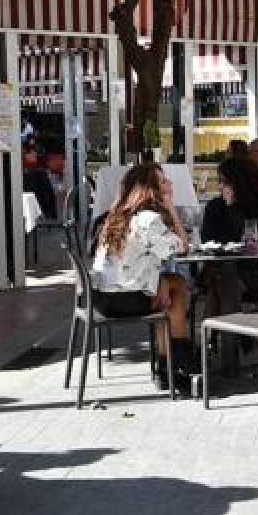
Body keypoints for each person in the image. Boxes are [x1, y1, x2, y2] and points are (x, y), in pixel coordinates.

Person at [91, 163, 193, 394]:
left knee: (174, 284)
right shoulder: (148, 219)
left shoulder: (114, 216)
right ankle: (176, 367)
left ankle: (167, 367)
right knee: (178, 291)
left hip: (102, 299)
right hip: (127, 299)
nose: (169, 184)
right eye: (163, 181)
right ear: (152, 189)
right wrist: (171, 207)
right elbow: (181, 248)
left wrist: (162, 281)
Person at [200, 158, 258, 320]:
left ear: (239, 183)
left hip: (254, 268)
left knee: (224, 282)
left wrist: (233, 208)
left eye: (223, 182)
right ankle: (234, 337)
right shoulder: (215, 207)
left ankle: (222, 337)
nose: (219, 187)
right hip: (219, 266)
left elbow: (253, 239)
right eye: (219, 181)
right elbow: (208, 244)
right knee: (226, 276)